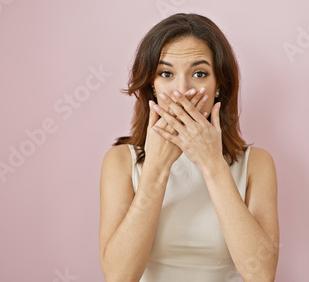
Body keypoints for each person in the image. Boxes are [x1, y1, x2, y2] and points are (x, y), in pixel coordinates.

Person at [99, 13, 279, 282]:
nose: (182, 90)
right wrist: (157, 169)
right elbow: (119, 276)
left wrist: (212, 164)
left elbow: (261, 275)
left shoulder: (257, 164)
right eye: (166, 73)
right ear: (152, 85)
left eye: (199, 73)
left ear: (219, 85)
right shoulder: (120, 161)